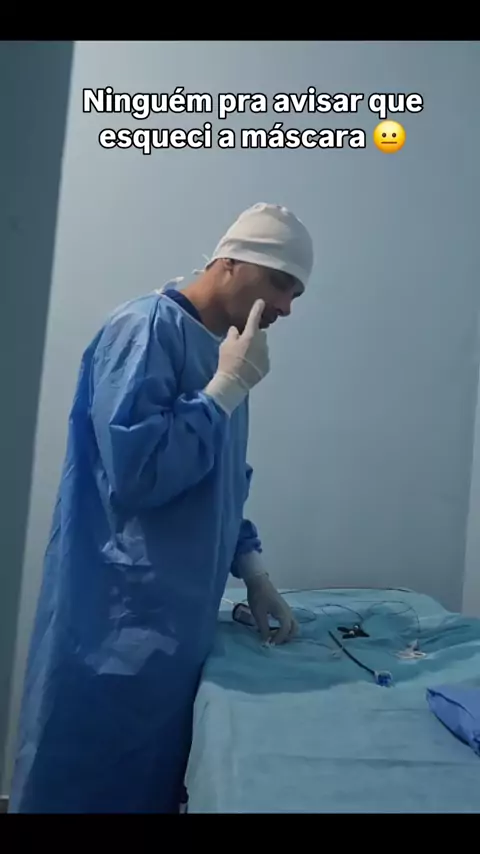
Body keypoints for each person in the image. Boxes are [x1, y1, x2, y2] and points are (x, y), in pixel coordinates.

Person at [9, 202, 314, 814]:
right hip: (113, 623)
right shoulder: (146, 329)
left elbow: (220, 484)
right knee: (86, 784)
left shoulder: (229, 354)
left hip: (174, 627)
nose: (286, 306)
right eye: (281, 282)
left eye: (296, 293)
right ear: (230, 263)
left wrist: (254, 571)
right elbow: (139, 475)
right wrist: (224, 390)